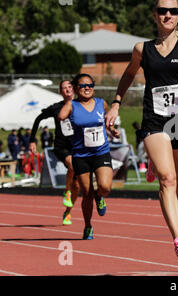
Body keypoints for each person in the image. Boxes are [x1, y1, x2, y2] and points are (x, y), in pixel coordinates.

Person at [106, 0, 178, 258]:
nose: (168, 15)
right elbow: (129, 74)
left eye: (173, 11)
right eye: (162, 11)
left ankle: (156, 165)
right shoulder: (142, 49)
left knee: (177, 186)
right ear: (154, 15)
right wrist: (116, 103)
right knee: (167, 180)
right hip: (154, 121)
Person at [59, 73, 120, 240]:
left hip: (100, 151)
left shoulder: (101, 103)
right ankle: (88, 226)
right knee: (86, 193)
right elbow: (61, 116)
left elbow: (109, 120)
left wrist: (112, 130)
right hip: (81, 155)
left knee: (105, 186)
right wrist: (69, 100)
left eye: (90, 85)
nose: (87, 88)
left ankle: (100, 196)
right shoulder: (73, 105)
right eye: (83, 86)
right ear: (77, 88)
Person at [29, 80, 79, 226]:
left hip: (78, 146)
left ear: (74, 89)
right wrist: (32, 140)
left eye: (69, 87)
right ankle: (67, 192)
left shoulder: (81, 105)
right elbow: (38, 118)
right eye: (64, 88)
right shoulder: (56, 107)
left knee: (77, 185)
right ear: (60, 92)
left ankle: (68, 212)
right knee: (72, 164)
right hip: (61, 146)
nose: (67, 90)